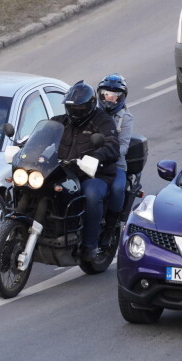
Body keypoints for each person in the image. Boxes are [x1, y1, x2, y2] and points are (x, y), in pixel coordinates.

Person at [52, 81, 120, 263]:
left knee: (91, 194)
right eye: (72, 107)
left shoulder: (103, 120)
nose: (76, 111)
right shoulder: (60, 122)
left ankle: (90, 245)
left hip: (93, 174)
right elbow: (43, 137)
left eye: (80, 107)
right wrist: (25, 146)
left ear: (89, 105)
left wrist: (97, 156)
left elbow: (112, 144)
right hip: (64, 172)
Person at [96, 73, 133, 248]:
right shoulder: (93, 112)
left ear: (121, 98)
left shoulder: (125, 118)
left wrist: (106, 153)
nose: (110, 99)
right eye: (107, 95)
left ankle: (110, 230)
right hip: (90, 160)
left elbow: (124, 147)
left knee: (118, 188)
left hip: (115, 164)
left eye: (115, 96)